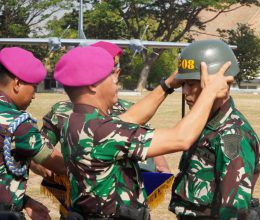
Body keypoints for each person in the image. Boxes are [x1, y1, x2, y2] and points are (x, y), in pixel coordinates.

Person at [53, 45, 233, 219]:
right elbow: (181, 138)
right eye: (110, 75)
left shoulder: (77, 121)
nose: (116, 80)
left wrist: (167, 85)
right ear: (92, 85)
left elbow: (131, 117)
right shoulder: (101, 130)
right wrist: (209, 92)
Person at [39, 41, 170, 174]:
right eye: (109, 73)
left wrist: (161, 165)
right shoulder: (62, 111)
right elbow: (39, 146)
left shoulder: (131, 108)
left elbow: (147, 138)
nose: (115, 79)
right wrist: (69, 169)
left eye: (115, 72)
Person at [168, 40, 260, 219]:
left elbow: (233, 211)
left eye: (192, 84)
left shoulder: (231, 135)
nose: (185, 92)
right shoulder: (204, 125)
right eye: (183, 85)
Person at [0, 47, 66, 219]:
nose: (34, 96)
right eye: (34, 88)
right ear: (17, 84)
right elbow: (57, 163)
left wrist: (25, 201)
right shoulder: (17, 124)